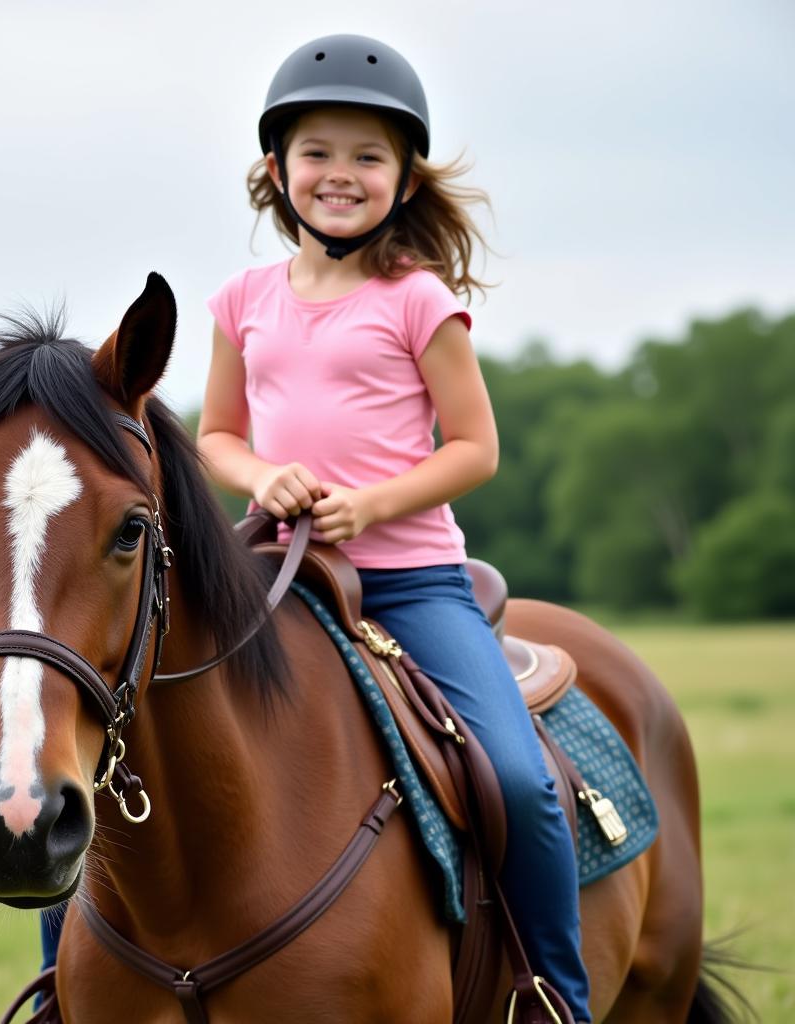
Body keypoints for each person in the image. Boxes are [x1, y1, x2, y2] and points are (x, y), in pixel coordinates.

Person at [197, 34, 592, 1024]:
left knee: (515, 777)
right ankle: (70, 985)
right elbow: (215, 434)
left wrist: (366, 504)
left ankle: (554, 994)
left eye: (367, 156)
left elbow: (474, 449)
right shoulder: (241, 301)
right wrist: (263, 475)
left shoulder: (419, 302)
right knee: (129, 743)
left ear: (403, 177)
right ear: (276, 167)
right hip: (270, 574)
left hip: (410, 586)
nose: (340, 175)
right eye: (318, 152)